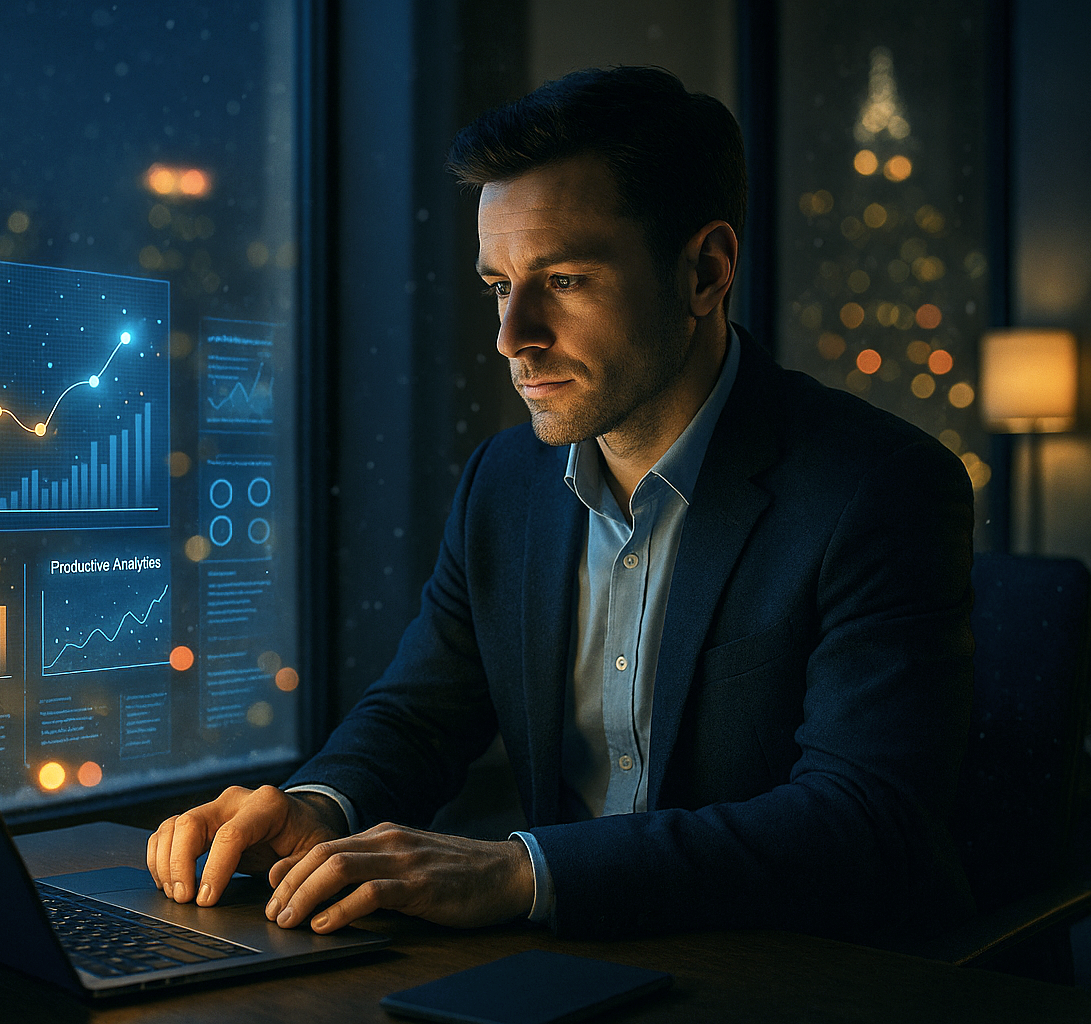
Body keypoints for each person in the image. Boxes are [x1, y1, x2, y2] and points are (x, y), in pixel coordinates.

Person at [147, 66, 975, 942]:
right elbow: (421, 713)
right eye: (499, 285)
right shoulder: (504, 482)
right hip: (571, 968)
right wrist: (319, 805)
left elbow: (864, 822)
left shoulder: (879, 487)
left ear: (705, 272)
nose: (513, 338)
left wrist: (521, 870)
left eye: (565, 281)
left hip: (799, 975)